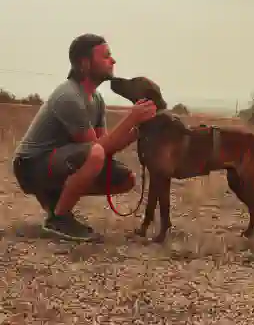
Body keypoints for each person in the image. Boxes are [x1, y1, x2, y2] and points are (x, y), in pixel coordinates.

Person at [12, 33, 156, 241]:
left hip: (59, 162)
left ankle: (56, 200)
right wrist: (131, 118)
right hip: (30, 166)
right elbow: (97, 148)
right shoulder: (69, 96)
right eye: (106, 56)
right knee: (95, 153)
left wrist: (139, 130)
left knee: (125, 179)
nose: (113, 61)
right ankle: (59, 219)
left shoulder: (96, 98)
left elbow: (107, 147)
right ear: (85, 64)